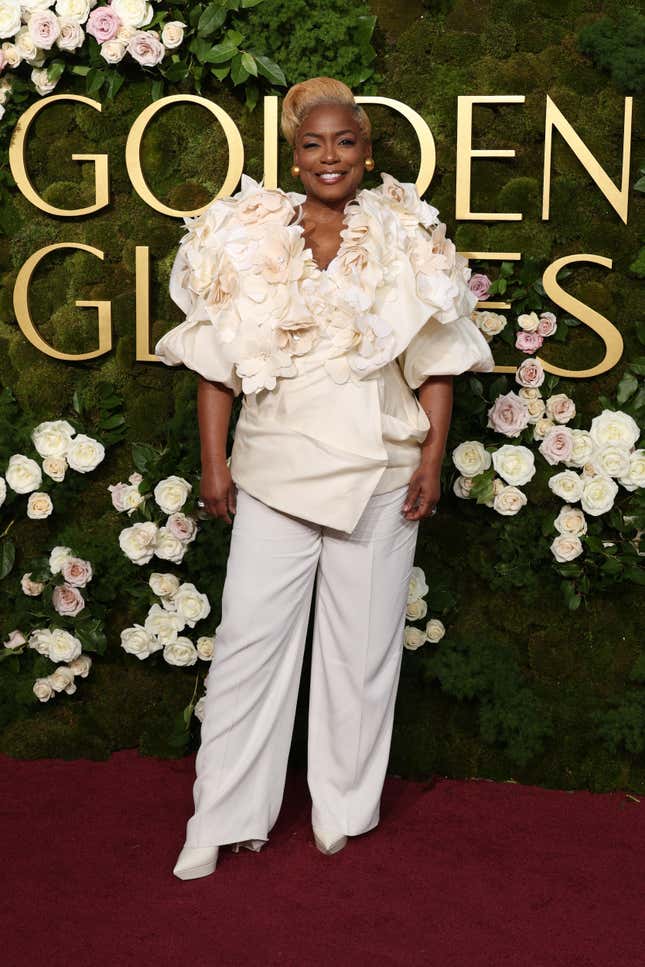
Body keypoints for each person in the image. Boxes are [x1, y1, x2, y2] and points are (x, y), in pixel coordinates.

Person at [154, 76, 495, 880]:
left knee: (362, 650)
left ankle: (343, 805)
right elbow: (213, 362)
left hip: (381, 470)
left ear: (367, 152)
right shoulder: (239, 232)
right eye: (313, 144)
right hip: (272, 466)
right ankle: (223, 816)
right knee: (246, 647)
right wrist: (215, 464)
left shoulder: (409, 235)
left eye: (345, 142)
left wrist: (431, 456)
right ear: (293, 152)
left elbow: (436, 361)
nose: (329, 156)